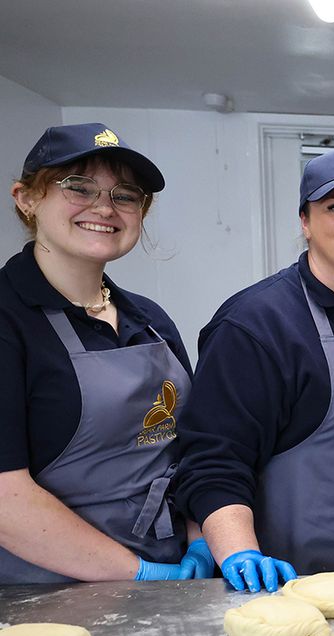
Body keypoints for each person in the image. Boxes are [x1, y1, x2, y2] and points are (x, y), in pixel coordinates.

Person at [174, 148, 334, 591]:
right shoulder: (255, 325)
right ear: (304, 221)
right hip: (290, 585)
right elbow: (213, 458)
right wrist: (239, 552)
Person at [1, 122, 211, 583]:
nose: (104, 208)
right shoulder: (9, 321)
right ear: (27, 198)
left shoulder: (150, 319)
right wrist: (140, 574)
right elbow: (5, 498)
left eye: (125, 195)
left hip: (174, 573)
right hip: (45, 595)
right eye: (79, 187)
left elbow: (190, 448)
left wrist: (200, 537)